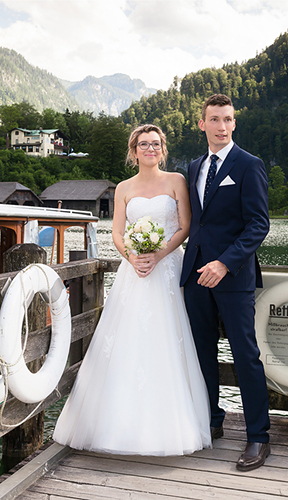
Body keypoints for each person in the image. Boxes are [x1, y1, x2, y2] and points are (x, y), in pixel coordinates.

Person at [53, 124, 211, 456]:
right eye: (144, 144)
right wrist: (132, 257)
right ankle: (115, 426)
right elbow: (118, 233)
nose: (150, 149)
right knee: (125, 341)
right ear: (134, 150)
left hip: (167, 270)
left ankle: (170, 427)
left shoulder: (177, 181)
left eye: (156, 144)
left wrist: (158, 254)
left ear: (163, 149)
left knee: (167, 339)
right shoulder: (123, 187)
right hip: (133, 273)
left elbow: (184, 227)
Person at [180, 94, 271, 471]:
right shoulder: (193, 166)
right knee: (201, 353)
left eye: (228, 120)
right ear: (202, 124)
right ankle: (211, 422)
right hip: (195, 274)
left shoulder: (249, 165)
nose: (221, 126)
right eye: (214, 119)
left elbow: (258, 225)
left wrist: (225, 262)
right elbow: (192, 223)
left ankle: (258, 438)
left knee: (245, 354)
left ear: (234, 124)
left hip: (233, 278)